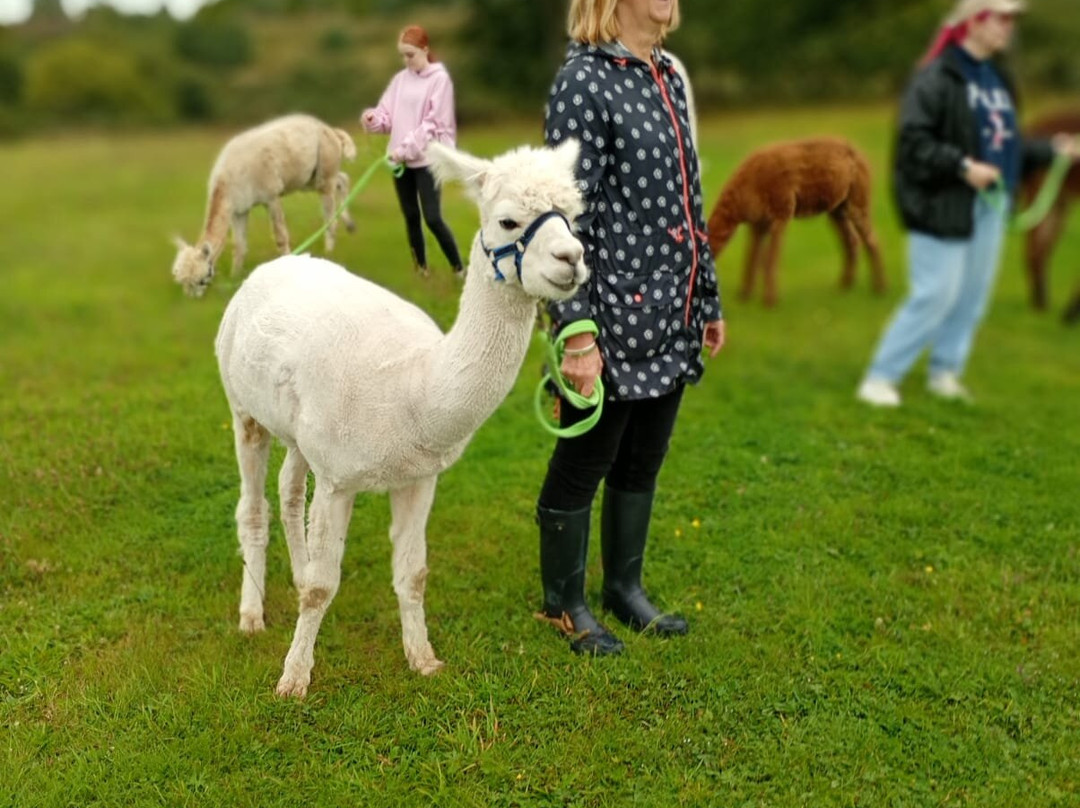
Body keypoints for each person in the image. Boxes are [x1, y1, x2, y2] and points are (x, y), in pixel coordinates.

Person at [535, 0, 725, 656]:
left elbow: (689, 196)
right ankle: (563, 602)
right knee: (588, 458)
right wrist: (576, 330)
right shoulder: (583, 82)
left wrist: (708, 298)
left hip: (670, 311)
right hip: (609, 313)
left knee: (644, 457)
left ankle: (623, 588)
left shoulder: (667, 74)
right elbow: (564, 216)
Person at [857, 0, 1079, 407]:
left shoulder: (999, 79)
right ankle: (880, 377)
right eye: (1002, 18)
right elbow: (913, 145)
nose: (1009, 27)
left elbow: (1007, 146)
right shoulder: (935, 77)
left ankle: (945, 370)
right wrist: (961, 167)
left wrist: (1053, 149)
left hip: (990, 206)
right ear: (973, 22)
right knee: (935, 293)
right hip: (942, 202)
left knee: (972, 295)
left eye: (1012, 20)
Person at [360, 25, 464, 279]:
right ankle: (421, 270)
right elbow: (388, 115)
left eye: (410, 55)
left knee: (432, 217)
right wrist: (373, 119)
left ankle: (459, 268)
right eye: (402, 55)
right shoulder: (400, 80)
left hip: (425, 161)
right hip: (400, 163)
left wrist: (404, 149)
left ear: (425, 50)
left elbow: (433, 123)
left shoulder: (440, 80)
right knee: (410, 215)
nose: (406, 61)